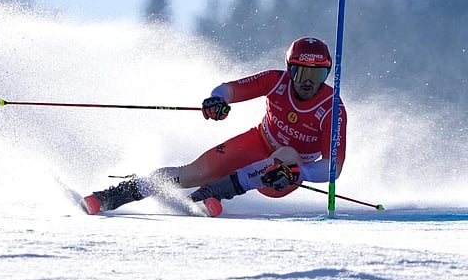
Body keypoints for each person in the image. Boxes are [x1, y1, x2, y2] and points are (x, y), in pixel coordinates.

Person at [82, 36, 347, 215]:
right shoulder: (275, 81)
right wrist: (216, 100)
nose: (308, 81)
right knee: (193, 172)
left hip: (283, 175)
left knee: (287, 156)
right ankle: (116, 195)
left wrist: (299, 174)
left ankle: (211, 195)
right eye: (301, 72)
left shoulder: (332, 110)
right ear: (289, 70)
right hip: (257, 142)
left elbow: (333, 168)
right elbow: (228, 89)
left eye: (317, 74)